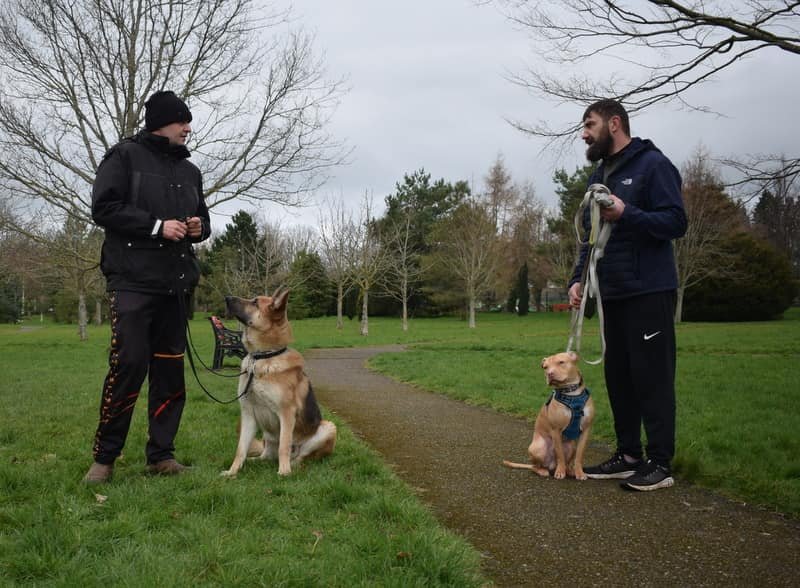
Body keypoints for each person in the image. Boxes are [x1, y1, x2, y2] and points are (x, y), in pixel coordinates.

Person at [83, 91, 211, 483]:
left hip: (174, 287)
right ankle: (104, 460)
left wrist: (196, 228)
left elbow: (203, 219)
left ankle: (161, 456)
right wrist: (157, 226)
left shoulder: (191, 172)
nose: (188, 128)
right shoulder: (123, 156)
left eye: (188, 122)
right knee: (129, 366)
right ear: (161, 122)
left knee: (170, 373)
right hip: (132, 282)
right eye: (182, 121)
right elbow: (103, 208)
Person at [568, 99, 687, 491]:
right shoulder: (600, 173)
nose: (584, 133)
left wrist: (628, 213)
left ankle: (660, 463)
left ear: (614, 123)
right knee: (618, 377)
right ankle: (629, 455)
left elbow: (675, 221)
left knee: (651, 378)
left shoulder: (653, 165)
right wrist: (577, 279)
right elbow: (590, 235)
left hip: (648, 291)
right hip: (611, 295)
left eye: (590, 124)